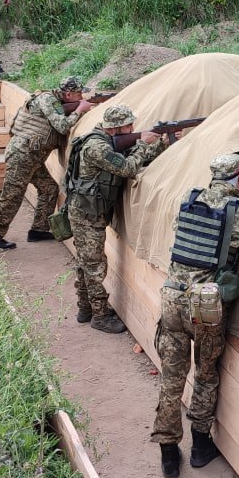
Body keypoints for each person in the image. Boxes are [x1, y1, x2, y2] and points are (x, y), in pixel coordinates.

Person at [152, 153, 239, 478]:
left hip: (171, 297)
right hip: (204, 307)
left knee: (171, 378)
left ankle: (168, 454)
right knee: (205, 374)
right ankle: (201, 446)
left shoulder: (190, 200)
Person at [64, 104, 165, 334]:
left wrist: (160, 144)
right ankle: (99, 316)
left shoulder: (106, 141)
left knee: (86, 262)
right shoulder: (97, 147)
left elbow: (132, 158)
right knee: (94, 265)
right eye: (129, 125)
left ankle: (85, 308)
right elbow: (129, 167)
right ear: (116, 127)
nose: (133, 128)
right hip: (87, 215)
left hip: (89, 211)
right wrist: (142, 143)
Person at [0, 75, 94, 251]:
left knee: (49, 188)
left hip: (32, 156)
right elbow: (63, 127)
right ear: (69, 94)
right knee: (12, 196)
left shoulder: (55, 101)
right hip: (22, 155)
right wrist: (79, 110)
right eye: (79, 93)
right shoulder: (47, 99)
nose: (82, 97)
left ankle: (39, 230)